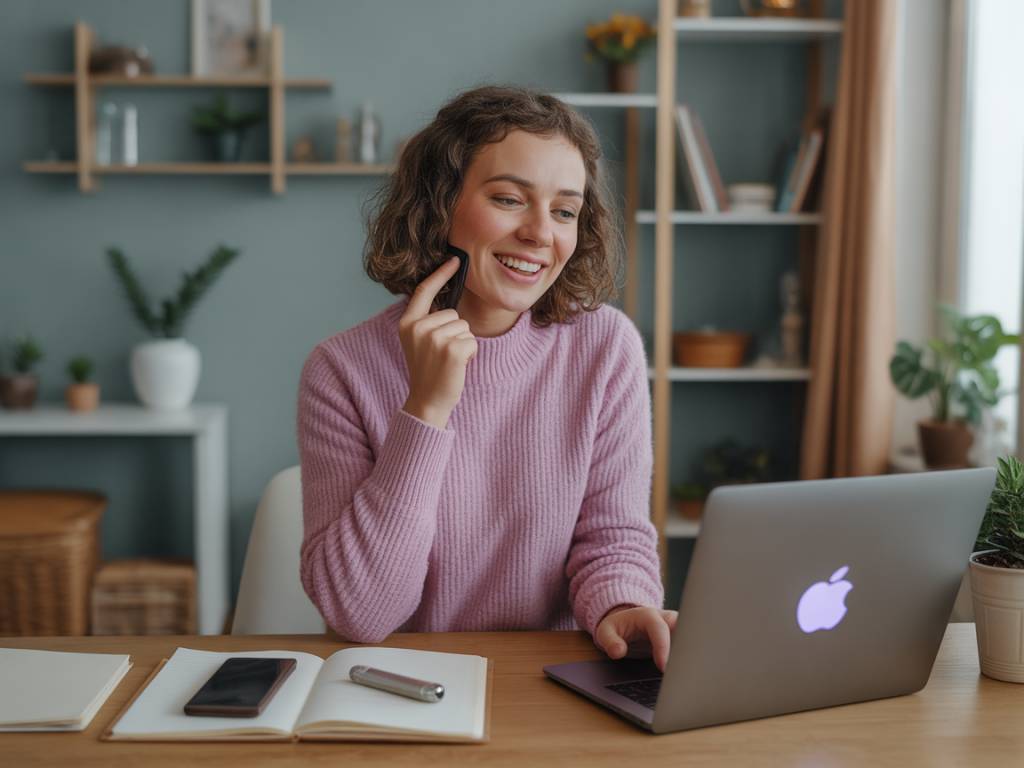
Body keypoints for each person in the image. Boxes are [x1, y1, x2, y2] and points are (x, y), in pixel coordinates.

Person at [298, 85, 676, 670]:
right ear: (440, 203)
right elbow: (360, 614)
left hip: (556, 679)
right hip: (407, 685)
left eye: (564, 211)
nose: (540, 233)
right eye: (508, 199)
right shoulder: (341, 371)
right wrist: (425, 409)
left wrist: (621, 607)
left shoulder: (605, 347)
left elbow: (613, 540)